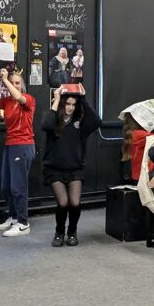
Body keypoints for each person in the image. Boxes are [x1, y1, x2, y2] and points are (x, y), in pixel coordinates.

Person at [42, 84, 101, 247]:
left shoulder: (80, 123)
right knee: (63, 203)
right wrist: (56, 100)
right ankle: (59, 232)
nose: (70, 107)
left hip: (75, 169)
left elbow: (96, 121)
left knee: (75, 203)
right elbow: (46, 125)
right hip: (54, 169)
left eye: (73, 104)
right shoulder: (54, 119)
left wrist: (84, 99)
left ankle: (72, 232)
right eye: (67, 104)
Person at [0, 69, 36, 237]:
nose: (15, 85)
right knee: (6, 186)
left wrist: (6, 80)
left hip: (23, 144)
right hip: (10, 144)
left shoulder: (28, 99)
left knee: (18, 186)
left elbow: (18, 96)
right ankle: (13, 217)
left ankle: (23, 223)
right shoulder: (7, 102)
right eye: (12, 82)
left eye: (17, 83)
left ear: (22, 85)